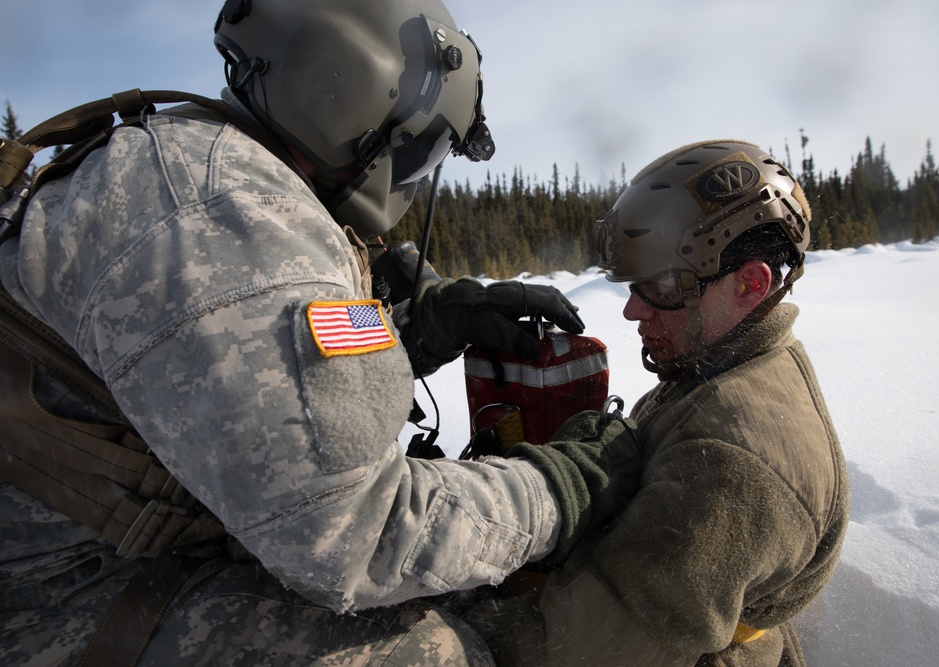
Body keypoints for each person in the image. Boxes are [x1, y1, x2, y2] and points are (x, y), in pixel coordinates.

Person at [0, 1, 639, 664]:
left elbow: (236, 369)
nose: (412, 180)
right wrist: (559, 487)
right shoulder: (226, 210)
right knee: (428, 654)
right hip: (53, 598)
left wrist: (417, 323)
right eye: (418, 149)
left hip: (123, 548)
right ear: (355, 94)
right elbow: (357, 539)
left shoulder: (208, 164)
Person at [462, 141, 850, 666]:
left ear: (751, 284)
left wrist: (454, 611)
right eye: (635, 285)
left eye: (664, 285)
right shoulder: (713, 365)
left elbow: (578, 654)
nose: (630, 310)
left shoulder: (733, 458)